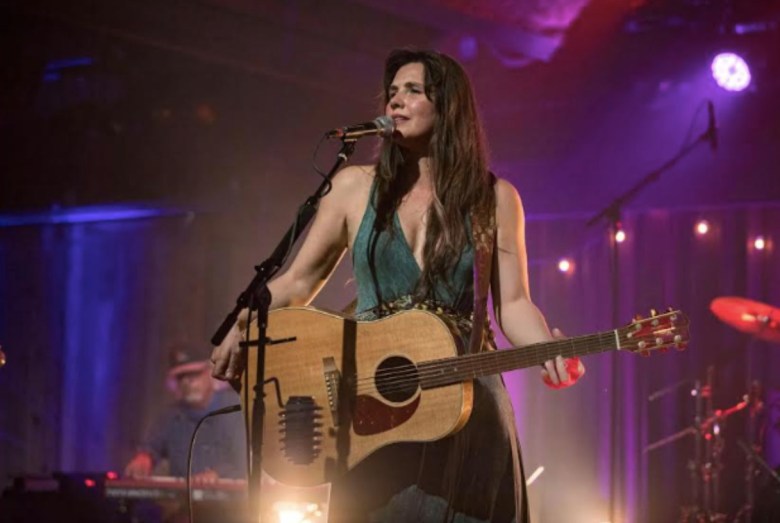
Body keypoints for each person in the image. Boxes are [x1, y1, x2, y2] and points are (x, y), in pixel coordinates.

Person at [211, 48, 585, 522]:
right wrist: (241, 327)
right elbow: (297, 282)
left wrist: (547, 348)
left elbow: (513, 305)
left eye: (412, 90)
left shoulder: (495, 198)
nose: (395, 103)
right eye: (391, 93)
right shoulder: (352, 187)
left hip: (463, 401)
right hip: (369, 406)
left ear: (448, 106)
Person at [125, 341, 246, 481]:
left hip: (234, 500)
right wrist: (144, 458)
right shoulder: (171, 417)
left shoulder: (237, 409)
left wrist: (218, 474)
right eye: (181, 377)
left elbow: (247, 459)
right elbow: (152, 446)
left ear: (212, 373)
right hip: (184, 501)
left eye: (195, 374)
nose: (187, 382)